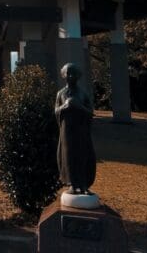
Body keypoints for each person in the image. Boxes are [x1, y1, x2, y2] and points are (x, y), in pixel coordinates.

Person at [55, 62, 96, 194]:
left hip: (81, 130)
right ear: (63, 75)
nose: (70, 76)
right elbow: (55, 111)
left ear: (78, 76)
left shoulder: (83, 94)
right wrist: (65, 106)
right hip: (67, 131)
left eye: (73, 73)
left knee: (83, 155)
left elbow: (91, 112)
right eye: (67, 73)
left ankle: (84, 184)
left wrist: (80, 107)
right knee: (69, 156)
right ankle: (72, 183)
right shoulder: (60, 94)